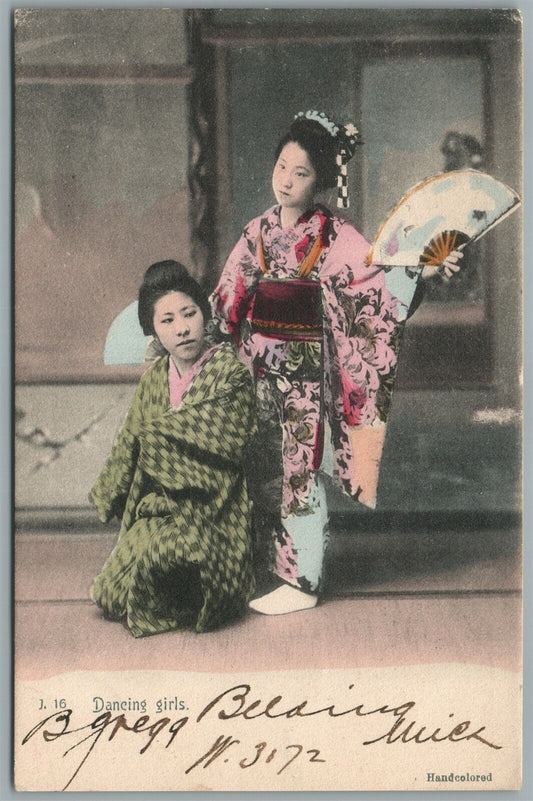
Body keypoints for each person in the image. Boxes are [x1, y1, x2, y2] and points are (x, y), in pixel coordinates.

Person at [210, 110, 462, 616]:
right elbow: (228, 297)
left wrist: (422, 269)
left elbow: (375, 282)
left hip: (305, 374)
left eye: (301, 173)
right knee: (250, 463)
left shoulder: (335, 234)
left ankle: (301, 579)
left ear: (319, 180)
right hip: (254, 369)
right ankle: (250, 563)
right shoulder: (256, 230)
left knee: (299, 469)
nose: (286, 181)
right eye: (282, 167)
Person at [89, 260, 257, 636]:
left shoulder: (228, 373)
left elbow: (225, 439)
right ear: (153, 331)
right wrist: (109, 494)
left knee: (163, 557)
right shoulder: (153, 380)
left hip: (213, 511)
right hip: (159, 510)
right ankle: (178, 593)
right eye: (167, 321)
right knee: (110, 593)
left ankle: (195, 591)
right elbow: (129, 441)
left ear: (204, 314)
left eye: (189, 313)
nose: (182, 328)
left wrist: (157, 436)